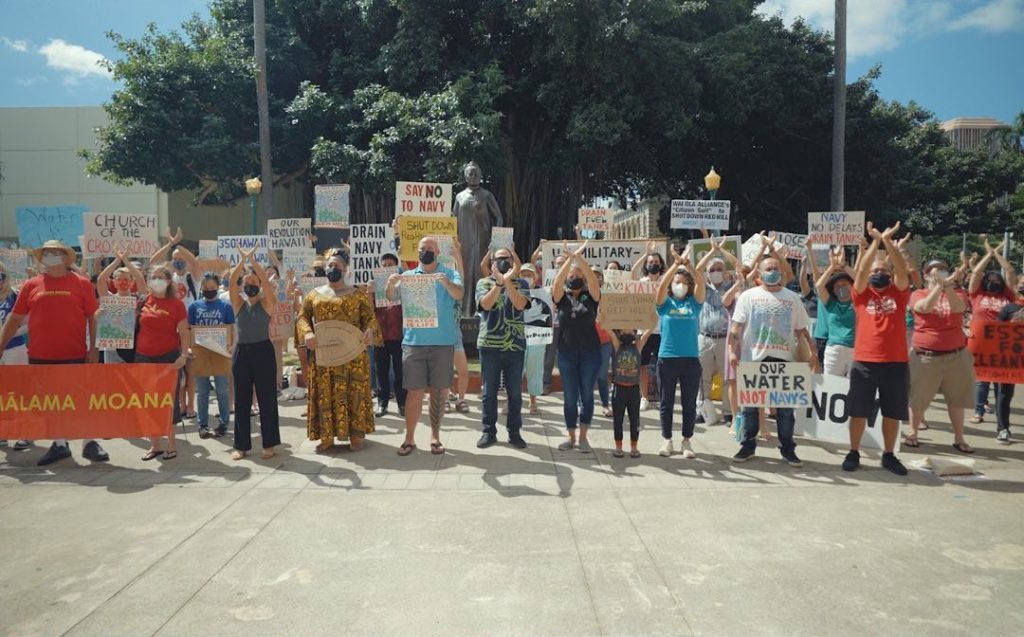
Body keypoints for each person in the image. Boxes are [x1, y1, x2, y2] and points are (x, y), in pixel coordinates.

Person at [0, 241, 106, 465]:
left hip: (75, 353)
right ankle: (59, 444)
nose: (51, 255)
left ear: (66, 258)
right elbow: (14, 319)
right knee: (52, 402)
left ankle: (89, 443)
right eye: (47, 253)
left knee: (80, 401)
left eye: (56, 252)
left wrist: (94, 348)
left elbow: (93, 317)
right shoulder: (31, 285)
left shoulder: (83, 283)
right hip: (40, 355)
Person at [728, 254, 818, 466]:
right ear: (759, 273)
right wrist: (733, 351)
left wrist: (812, 352)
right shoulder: (748, 297)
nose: (773, 272)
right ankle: (748, 446)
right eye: (768, 269)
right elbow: (736, 328)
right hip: (754, 360)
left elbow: (802, 330)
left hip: (784, 360)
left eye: (776, 268)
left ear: (783, 272)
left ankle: (788, 448)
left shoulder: (792, 298)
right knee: (750, 409)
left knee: (785, 411)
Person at [842, 222, 911, 474]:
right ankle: (853, 451)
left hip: (895, 362)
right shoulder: (861, 294)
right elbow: (860, 271)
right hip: (865, 360)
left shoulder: (900, 293)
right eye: (875, 270)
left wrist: (887, 242)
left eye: (883, 270)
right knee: (858, 410)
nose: (878, 273)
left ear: (890, 275)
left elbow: (902, 269)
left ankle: (889, 454)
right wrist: (874, 242)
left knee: (893, 412)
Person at [386, 236, 463, 456]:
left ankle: (435, 437)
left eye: (430, 248)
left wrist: (446, 283)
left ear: (438, 251)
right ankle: (409, 438)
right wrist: (391, 285)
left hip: (442, 343)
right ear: (416, 251)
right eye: (422, 248)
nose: (426, 251)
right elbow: (391, 297)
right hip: (414, 343)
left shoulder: (449, 273)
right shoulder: (408, 276)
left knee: (439, 393)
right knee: (414, 393)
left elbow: (459, 294)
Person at [297, 249, 377, 452]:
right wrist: (307, 333)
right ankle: (326, 437)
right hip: (324, 355)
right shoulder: (314, 295)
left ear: (346, 269)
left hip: (353, 356)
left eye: (337, 266)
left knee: (353, 393)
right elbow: (302, 318)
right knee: (326, 393)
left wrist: (369, 331)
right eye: (330, 265)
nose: (333, 269)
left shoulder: (357, 295)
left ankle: (355, 435)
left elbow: (371, 319)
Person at [905, 257, 976, 453]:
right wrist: (938, 286)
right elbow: (924, 307)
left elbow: (958, 308)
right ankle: (913, 432)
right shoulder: (918, 293)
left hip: (956, 355)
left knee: (957, 399)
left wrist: (947, 287)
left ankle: (959, 438)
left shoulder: (958, 293)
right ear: (925, 275)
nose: (938, 273)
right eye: (933, 271)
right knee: (919, 398)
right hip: (925, 356)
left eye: (943, 270)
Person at [655, 243, 716, 458]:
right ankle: (666, 440)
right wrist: (675, 264)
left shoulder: (694, 303)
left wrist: (687, 264)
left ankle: (687, 441)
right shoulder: (664, 303)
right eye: (677, 282)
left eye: (683, 282)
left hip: (690, 359)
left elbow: (700, 281)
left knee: (689, 403)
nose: (680, 285)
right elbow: (662, 285)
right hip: (667, 358)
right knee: (666, 402)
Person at [227, 249, 280, 459]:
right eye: (246, 282)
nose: (250, 285)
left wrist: (255, 263)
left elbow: (267, 282)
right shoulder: (238, 304)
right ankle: (241, 446)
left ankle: (269, 444)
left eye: (254, 283)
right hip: (242, 353)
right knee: (241, 400)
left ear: (259, 285)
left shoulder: (267, 303)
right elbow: (232, 283)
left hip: (263, 351)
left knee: (267, 399)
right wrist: (242, 261)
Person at [475, 247, 530, 449]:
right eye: (498, 259)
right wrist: (499, 283)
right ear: (492, 264)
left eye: (506, 258)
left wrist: (508, 281)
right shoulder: (483, 283)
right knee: (489, 392)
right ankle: (488, 431)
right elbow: (486, 305)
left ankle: (514, 432)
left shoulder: (522, 283)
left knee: (514, 392)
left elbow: (520, 304)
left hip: (515, 346)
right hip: (489, 345)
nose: (503, 261)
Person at [551, 241, 602, 452]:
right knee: (570, 397)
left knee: (587, 395)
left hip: (590, 353)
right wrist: (570, 262)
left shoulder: (591, 298)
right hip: (566, 353)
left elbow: (592, 280)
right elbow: (557, 282)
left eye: (578, 276)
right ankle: (570, 436)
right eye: (572, 276)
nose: (574, 278)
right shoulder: (561, 298)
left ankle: (583, 437)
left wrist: (580, 260)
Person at [136, 265, 190, 461]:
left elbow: (184, 333)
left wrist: (183, 355)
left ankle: (172, 444)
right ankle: (155, 445)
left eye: (161, 277)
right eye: (153, 277)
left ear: (168, 282)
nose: (156, 280)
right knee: (149, 402)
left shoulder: (176, 305)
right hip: (143, 358)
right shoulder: (142, 301)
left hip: (168, 359)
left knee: (169, 402)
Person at [967, 238, 1018, 424]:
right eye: (989, 279)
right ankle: (978, 411)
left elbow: (1011, 272)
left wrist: (998, 254)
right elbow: (976, 272)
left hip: (1003, 343)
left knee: (1001, 380)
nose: (992, 282)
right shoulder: (977, 294)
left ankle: (1000, 414)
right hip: (981, 341)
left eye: (996, 280)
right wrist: (988, 253)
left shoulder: (1008, 295)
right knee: (982, 378)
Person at [697, 246, 741, 425]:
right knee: (702, 377)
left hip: (725, 338)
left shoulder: (731, 287)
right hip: (704, 338)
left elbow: (739, 267)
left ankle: (727, 412)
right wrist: (711, 251)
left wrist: (721, 251)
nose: (715, 272)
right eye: (712, 270)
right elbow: (697, 269)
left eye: (719, 269)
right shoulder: (702, 288)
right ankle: (702, 410)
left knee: (727, 377)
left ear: (725, 272)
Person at [188, 273, 236, 438]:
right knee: (202, 392)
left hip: (220, 351)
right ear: (201, 287)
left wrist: (231, 345)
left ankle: (223, 423)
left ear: (217, 287)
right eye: (206, 288)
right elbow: (189, 329)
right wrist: (189, 348)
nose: (209, 290)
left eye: (212, 288)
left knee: (222, 390)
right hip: (201, 352)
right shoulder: (194, 306)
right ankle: (203, 424)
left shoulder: (225, 306)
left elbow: (232, 329)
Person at [453, 161, 503, 316]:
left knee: (482, 272)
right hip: (465, 243)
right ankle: (465, 310)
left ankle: (483, 309)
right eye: (470, 173)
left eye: (476, 173)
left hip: (483, 241)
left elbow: (498, 217)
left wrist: (496, 240)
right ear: (465, 176)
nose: (473, 176)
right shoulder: (460, 197)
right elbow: (452, 221)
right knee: (465, 273)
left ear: (480, 176)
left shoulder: (487, 195)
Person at [631, 243, 666, 410]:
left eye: (656, 262)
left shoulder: (666, 281)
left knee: (663, 365)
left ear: (661, 264)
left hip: (663, 330)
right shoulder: (642, 282)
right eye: (650, 262)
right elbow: (632, 274)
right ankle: (644, 397)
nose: (653, 264)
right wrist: (644, 255)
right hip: (643, 330)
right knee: (643, 365)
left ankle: (661, 396)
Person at [95, 252, 147, 364]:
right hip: (112, 349)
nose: (123, 282)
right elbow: (101, 280)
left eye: (126, 279)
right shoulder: (109, 298)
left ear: (131, 282)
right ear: (114, 282)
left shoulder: (137, 299)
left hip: (133, 346)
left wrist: (126, 261)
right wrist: (117, 260)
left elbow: (141, 279)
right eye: (119, 279)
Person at [608, 328, 651, 457]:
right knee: (618, 420)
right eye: (624, 331)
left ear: (635, 333)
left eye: (631, 331)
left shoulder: (638, 346)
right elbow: (608, 329)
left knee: (635, 419)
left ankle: (634, 447)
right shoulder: (617, 345)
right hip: (619, 388)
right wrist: (601, 315)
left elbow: (648, 332)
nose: (627, 333)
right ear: (619, 333)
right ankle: (618, 447)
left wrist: (653, 314)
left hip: (633, 389)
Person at [372, 252, 406, 417]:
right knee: (381, 372)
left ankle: (402, 404)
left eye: (390, 266)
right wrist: (369, 293)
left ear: (396, 267)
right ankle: (382, 403)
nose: (386, 269)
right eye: (384, 266)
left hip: (400, 336)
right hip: (380, 336)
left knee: (401, 373)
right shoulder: (372, 287)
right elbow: (367, 311)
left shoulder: (403, 285)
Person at [814, 247, 857, 377]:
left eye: (845, 285)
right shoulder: (831, 304)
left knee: (853, 386)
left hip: (854, 350)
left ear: (852, 287)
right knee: (831, 384)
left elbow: (863, 281)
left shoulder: (858, 302)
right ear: (833, 290)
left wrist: (844, 265)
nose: (841, 288)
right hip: (833, 350)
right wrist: (832, 266)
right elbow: (819, 285)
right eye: (837, 286)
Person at [519, 264, 551, 415]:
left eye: (529, 274)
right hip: (517, 335)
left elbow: (550, 312)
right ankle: (513, 400)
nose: (526, 276)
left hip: (537, 335)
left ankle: (533, 401)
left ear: (536, 276)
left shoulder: (544, 292)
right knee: (515, 370)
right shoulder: (515, 291)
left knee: (535, 369)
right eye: (523, 274)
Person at [592, 267, 614, 418]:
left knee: (602, 375)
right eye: (593, 276)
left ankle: (605, 405)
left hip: (605, 341)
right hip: (586, 342)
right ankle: (581, 405)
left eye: (599, 276)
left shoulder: (610, 297)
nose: (596, 279)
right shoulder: (582, 295)